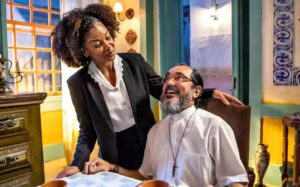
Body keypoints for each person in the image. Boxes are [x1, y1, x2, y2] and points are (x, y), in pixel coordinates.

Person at [52, 3, 243, 178]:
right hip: (113, 152)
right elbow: (87, 130)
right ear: (84, 51)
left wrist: (207, 92)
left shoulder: (134, 63)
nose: (108, 46)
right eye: (97, 44)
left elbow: (163, 89)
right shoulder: (78, 83)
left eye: (108, 38)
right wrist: (76, 165)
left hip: (147, 142)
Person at [84, 65, 248, 187]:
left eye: (178, 78)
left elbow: (235, 182)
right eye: (167, 78)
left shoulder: (215, 127)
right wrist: (111, 167)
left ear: (196, 92)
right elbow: (143, 177)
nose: (169, 82)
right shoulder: (155, 131)